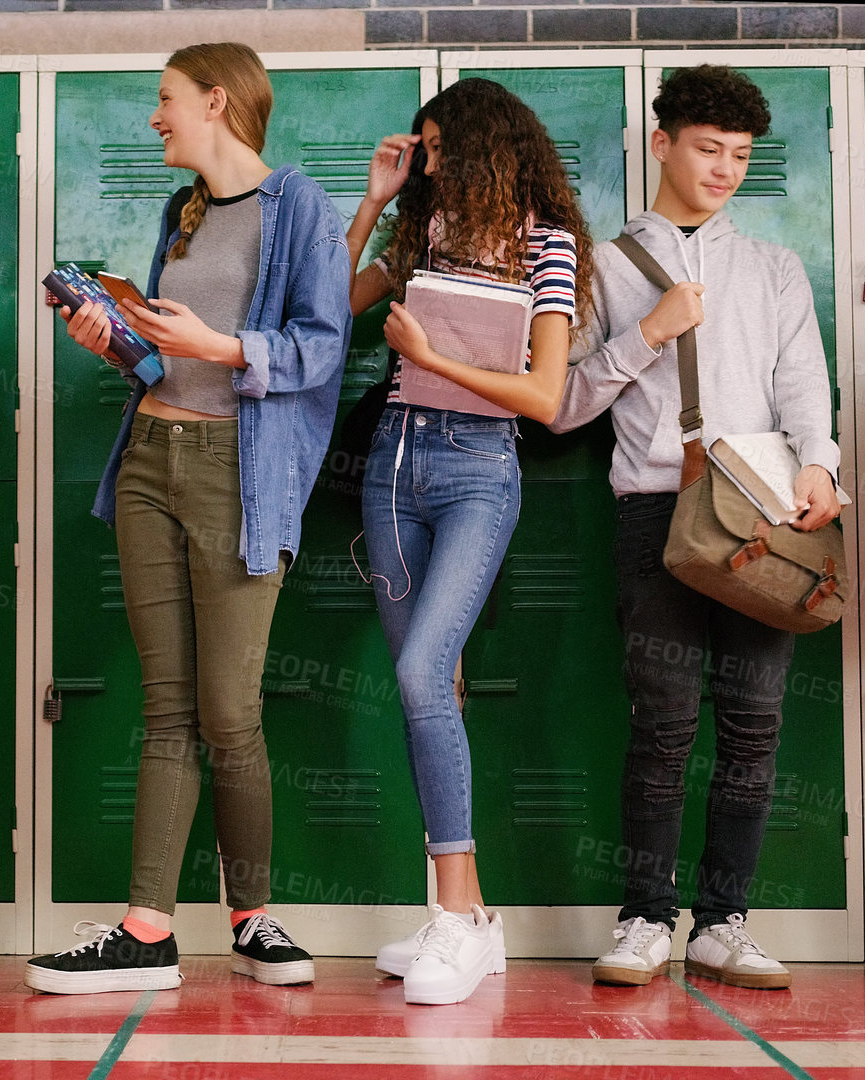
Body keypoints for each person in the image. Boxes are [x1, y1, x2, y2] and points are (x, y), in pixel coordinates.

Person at [24, 43, 352, 995]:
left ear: (217, 99)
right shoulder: (183, 210)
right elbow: (167, 364)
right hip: (149, 462)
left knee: (228, 712)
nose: (155, 119)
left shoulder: (300, 206)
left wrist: (219, 342)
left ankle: (252, 921)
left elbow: (320, 348)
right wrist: (118, 342)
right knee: (164, 706)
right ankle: (146, 930)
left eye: (165, 101)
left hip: (236, 474)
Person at [551, 65, 839, 991]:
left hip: (763, 519)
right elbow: (557, 405)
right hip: (654, 513)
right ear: (661, 143)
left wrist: (820, 468)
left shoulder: (773, 267)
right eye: (707, 149)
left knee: (754, 729)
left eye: (740, 156)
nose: (722, 170)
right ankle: (644, 920)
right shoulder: (599, 267)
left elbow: (802, 387)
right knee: (661, 727)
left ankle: (723, 922)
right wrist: (647, 335)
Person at [347, 77, 591, 1006]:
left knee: (418, 675)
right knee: (430, 684)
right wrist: (375, 197)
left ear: (489, 145)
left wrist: (429, 352)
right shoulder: (419, 233)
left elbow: (545, 397)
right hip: (390, 468)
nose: (430, 162)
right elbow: (331, 301)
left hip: (477, 468)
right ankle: (474, 925)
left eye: (441, 147)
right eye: (423, 148)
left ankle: (454, 918)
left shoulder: (547, 245)